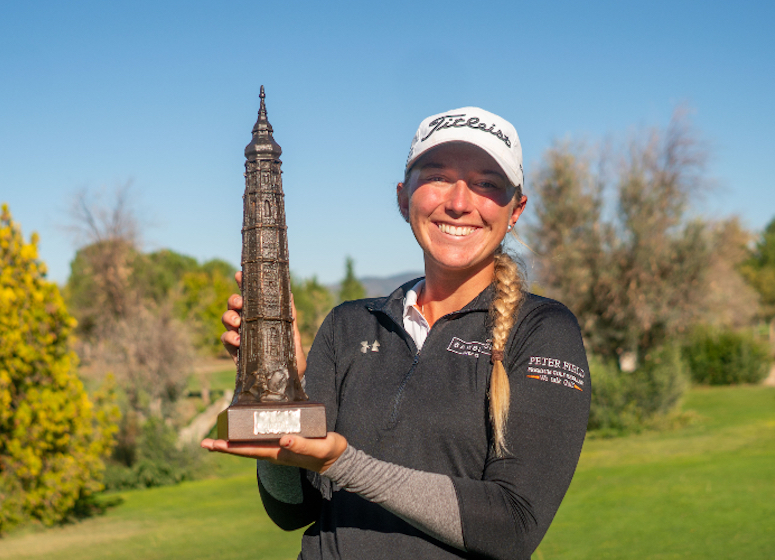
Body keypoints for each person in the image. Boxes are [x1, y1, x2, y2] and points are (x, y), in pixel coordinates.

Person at [202, 107, 591, 560]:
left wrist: (341, 463)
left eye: (486, 183)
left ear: (515, 209)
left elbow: (514, 524)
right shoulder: (348, 324)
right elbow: (292, 509)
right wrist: (277, 385)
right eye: (438, 177)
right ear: (404, 198)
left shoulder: (542, 331)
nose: (460, 202)